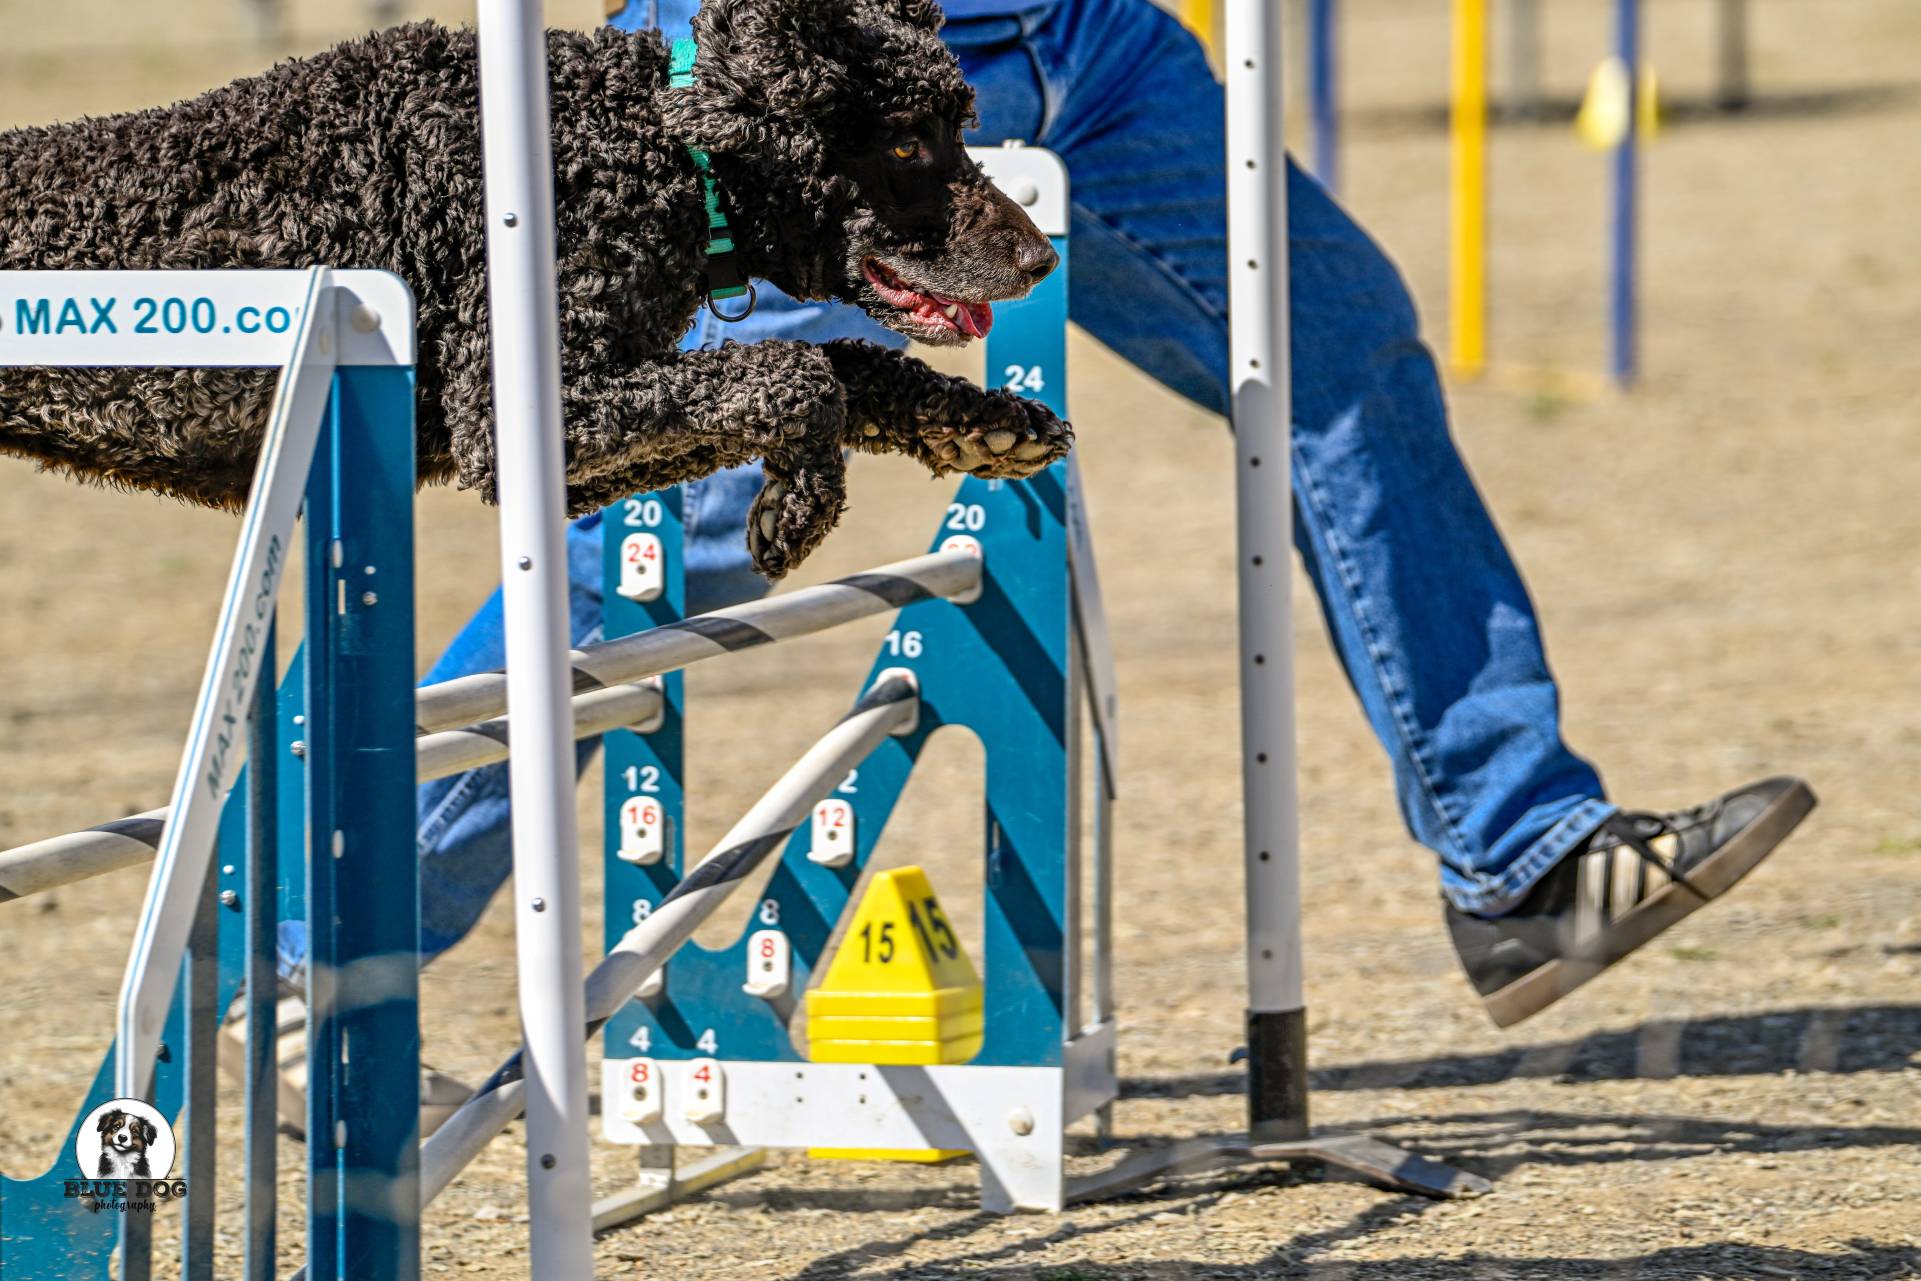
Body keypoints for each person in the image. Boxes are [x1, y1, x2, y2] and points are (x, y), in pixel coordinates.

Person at [324, 0, 1814, 1029]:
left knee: (1342, 350)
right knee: (667, 523)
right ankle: (309, 953)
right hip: (796, 62)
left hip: (1081, 48)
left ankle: (1522, 857)